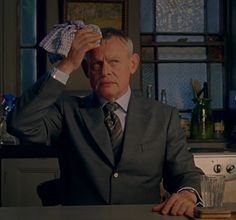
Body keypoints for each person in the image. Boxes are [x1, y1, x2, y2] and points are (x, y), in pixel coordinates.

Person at [7, 27, 203, 216]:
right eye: (96, 64)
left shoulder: (163, 116)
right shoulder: (67, 111)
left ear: (133, 64)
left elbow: (186, 174)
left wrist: (188, 194)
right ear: (86, 69)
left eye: (114, 62)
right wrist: (66, 65)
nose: (105, 71)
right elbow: (19, 124)